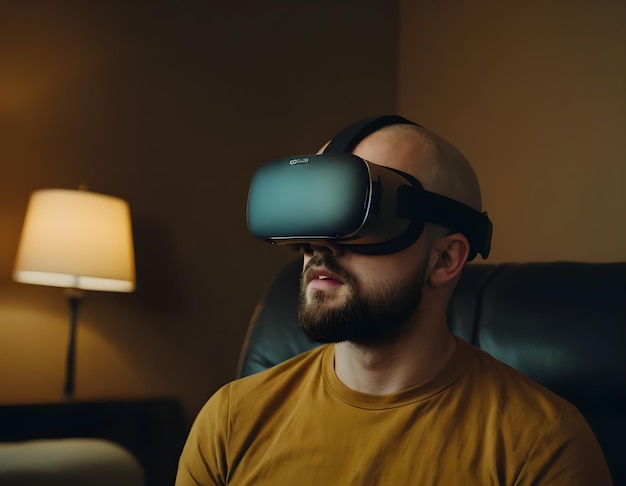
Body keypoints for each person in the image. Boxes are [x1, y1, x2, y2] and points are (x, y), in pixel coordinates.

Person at [176, 118, 612, 485]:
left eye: (361, 214)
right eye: (312, 214)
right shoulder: (229, 422)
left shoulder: (542, 446)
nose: (317, 246)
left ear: (444, 258)